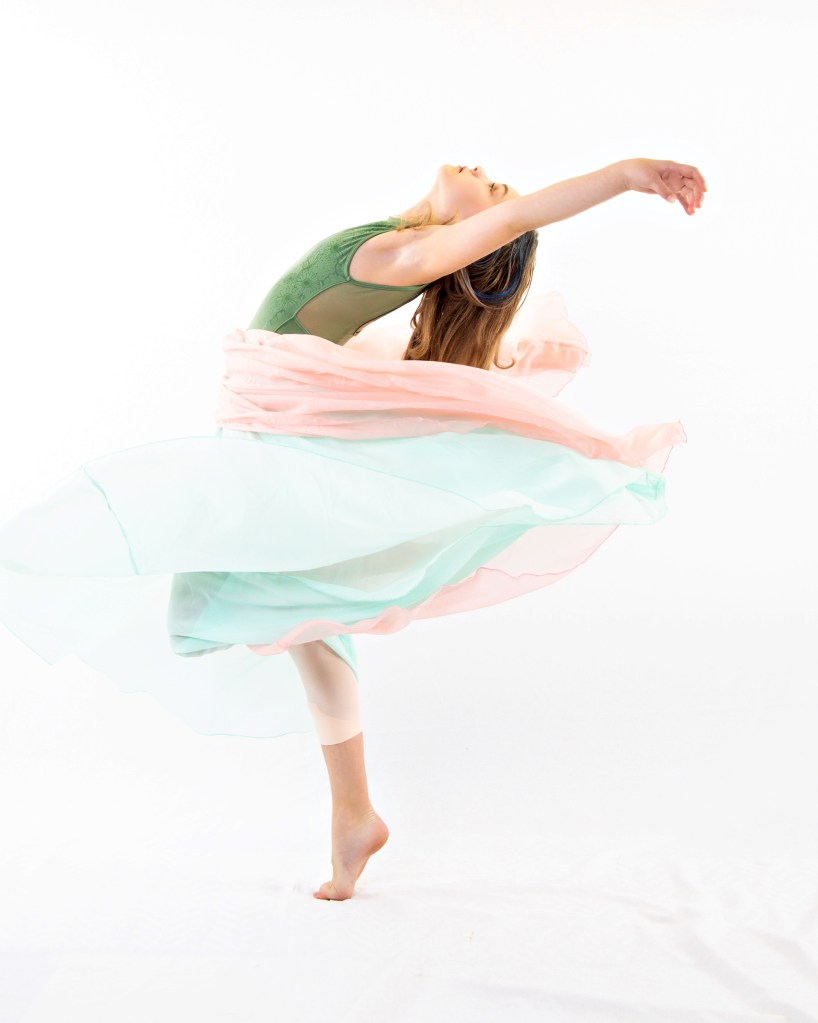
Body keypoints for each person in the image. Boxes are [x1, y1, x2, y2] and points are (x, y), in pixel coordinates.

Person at [0, 157, 705, 901]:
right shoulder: (404, 233)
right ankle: (355, 811)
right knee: (298, 602)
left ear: (470, 234)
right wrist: (455, 210)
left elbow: (513, 221)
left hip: (268, 418)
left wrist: (627, 176)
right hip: (278, 410)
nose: (489, 177)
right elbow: (476, 217)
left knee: (270, 584)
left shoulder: (407, 255)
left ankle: (353, 810)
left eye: (495, 195)